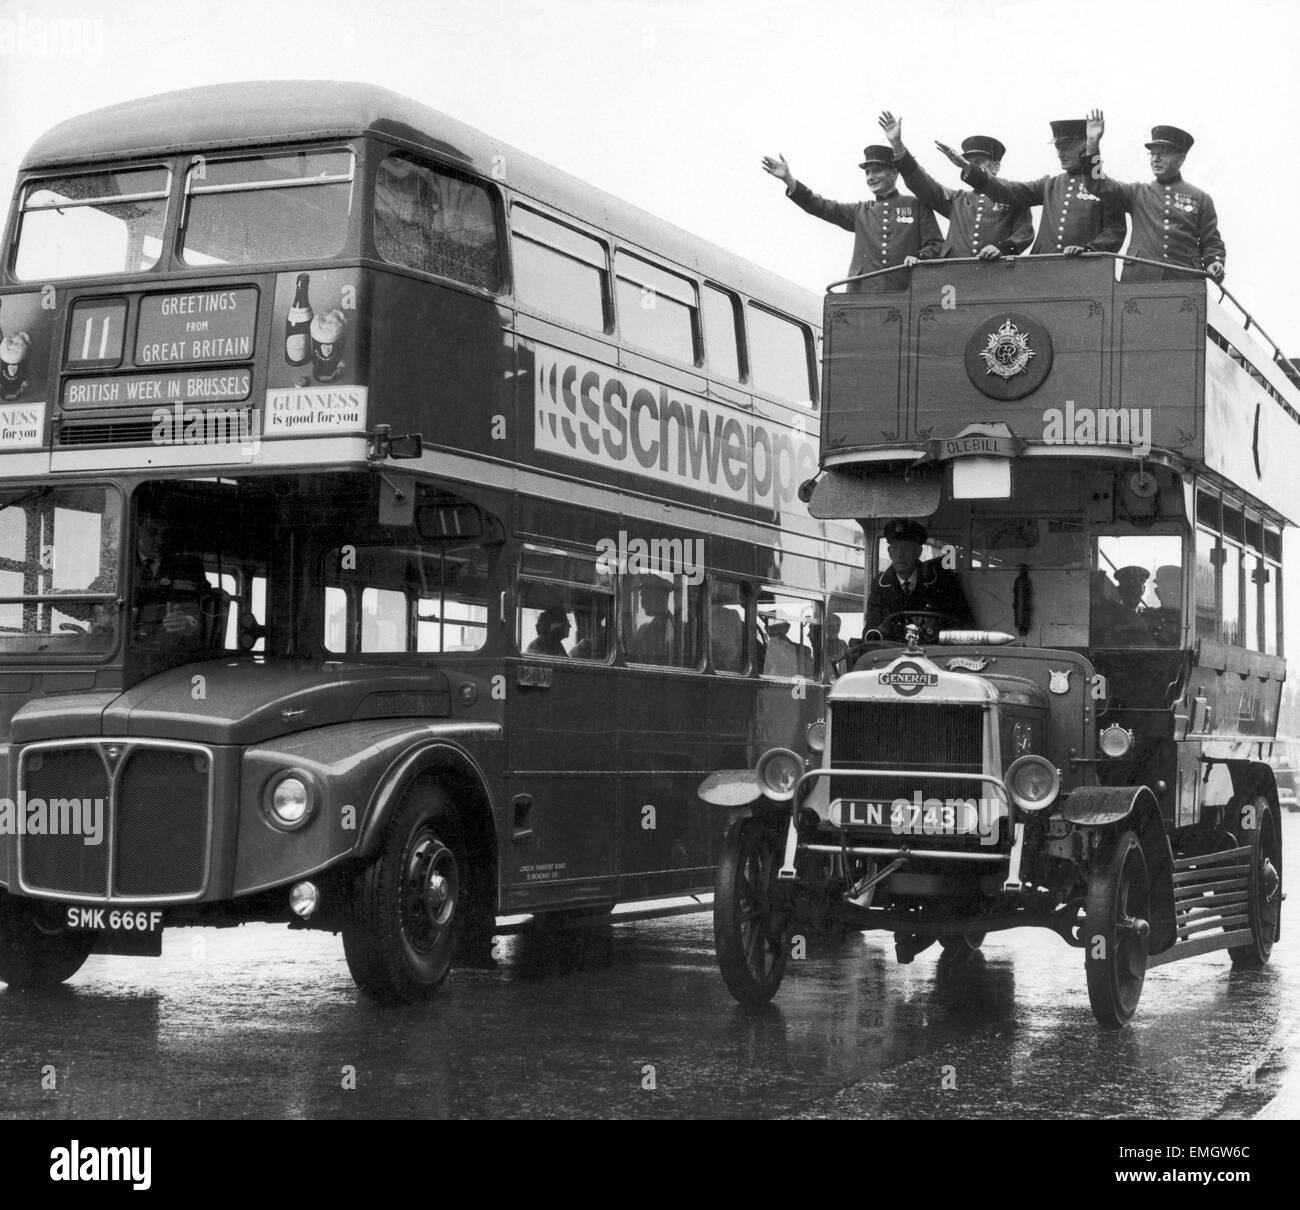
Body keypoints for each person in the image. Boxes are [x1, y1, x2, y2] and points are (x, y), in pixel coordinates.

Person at [761, 143, 942, 292]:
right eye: (867, 172)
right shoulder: (860, 211)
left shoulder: (916, 205)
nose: (870, 177)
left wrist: (919, 257)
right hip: (862, 297)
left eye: (876, 171)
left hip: (905, 293)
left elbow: (936, 244)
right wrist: (789, 180)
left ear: (893, 173)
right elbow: (821, 206)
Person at [936, 118, 1127, 256]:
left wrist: (1088, 250)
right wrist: (967, 167)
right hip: (1042, 269)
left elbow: (1114, 233)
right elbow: (1009, 191)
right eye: (1058, 147)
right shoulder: (1049, 185)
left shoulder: (1104, 187)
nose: (1060, 153)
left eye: (1066, 147)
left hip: (1085, 270)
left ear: (1085, 146)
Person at [1083, 111, 1226, 283]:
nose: (1155, 159)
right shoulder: (1137, 193)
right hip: (1139, 280)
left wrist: (1214, 262)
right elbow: (1099, 185)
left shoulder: (1201, 198)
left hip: (1183, 283)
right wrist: (1092, 144)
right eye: (1152, 153)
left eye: (1163, 153)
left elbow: (1211, 242)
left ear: (1180, 159)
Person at [879, 112, 1033, 260]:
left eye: (978, 162)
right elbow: (922, 183)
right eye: (968, 161)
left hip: (996, 276)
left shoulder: (1014, 197)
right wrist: (897, 145)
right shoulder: (957, 200)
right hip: (954, 276)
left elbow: (1025, 233)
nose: (970, 166)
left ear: (996, 167)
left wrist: (1002, 248)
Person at [863, 519, 974, 641]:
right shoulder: (880, 585)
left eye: (906, 548)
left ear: (918, 552)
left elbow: (964, 624)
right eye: (895, 548)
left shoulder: (943, 582)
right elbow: (871, 630)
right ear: (889, 552)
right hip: (892, 655)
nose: (900, 555)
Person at [1089, 571, 1153, 646]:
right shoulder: (1108, 616)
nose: (1133, 593)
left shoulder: (1148, 616)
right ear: (1119, 590)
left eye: (1137, 588)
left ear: (1143, 590)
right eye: (1128, 588)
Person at [629, 576, 676, 664]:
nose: (642, 605)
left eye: (644, 597)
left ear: (657, 598)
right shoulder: (644, 630)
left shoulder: (679, 630)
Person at [1144, 564, 1183, 646]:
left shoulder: (1190, 621)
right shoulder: (1148, 617)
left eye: (1176, 590)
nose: (1172, 595)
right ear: (1157, 593)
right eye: (1166, 591)